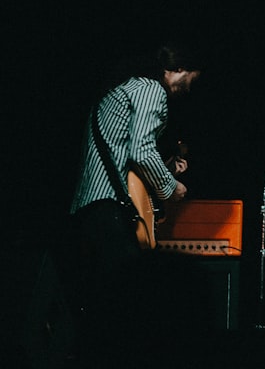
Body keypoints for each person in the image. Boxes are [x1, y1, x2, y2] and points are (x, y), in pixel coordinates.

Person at [63, 41, 204, 364]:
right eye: (190, 80)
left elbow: (125, 153)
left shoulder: (127, 86)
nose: (187, 89)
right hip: (108, 205)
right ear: (178, 69)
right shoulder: (151, 89)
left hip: (91, 205)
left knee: (103, 303)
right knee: (130, 301)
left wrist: (165, 167)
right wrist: (171, 187)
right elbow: (141, 151)